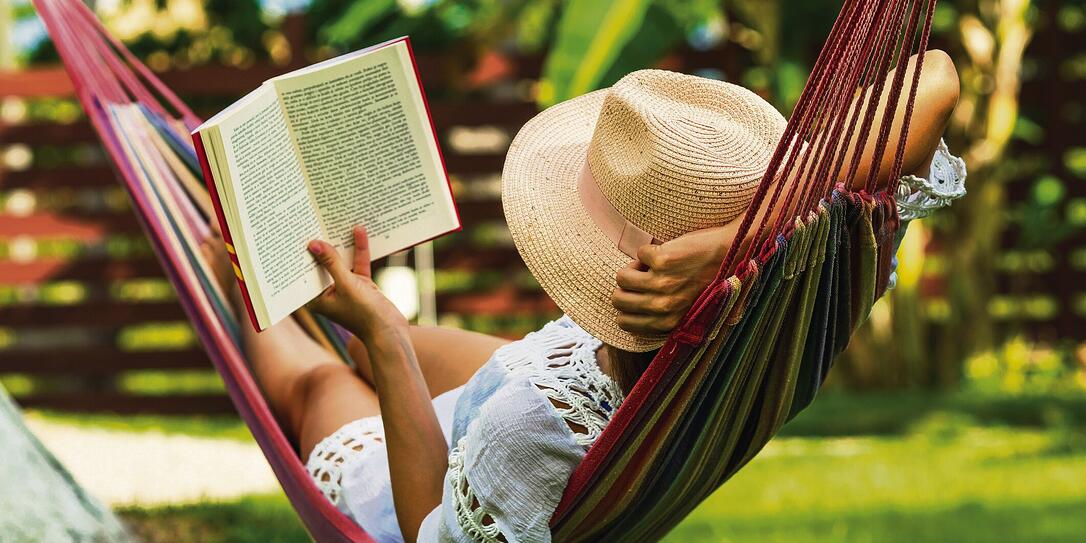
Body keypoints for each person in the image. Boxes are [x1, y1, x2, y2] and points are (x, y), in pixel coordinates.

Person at [202, 50, 965, 543]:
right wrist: (741, 242)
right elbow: (938, 76)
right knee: (378, 326)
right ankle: (344, 310)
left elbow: (432, 529)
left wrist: (386, 343)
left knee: (323, 378)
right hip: (572, 373)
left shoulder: (531, 425)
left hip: (447, 474)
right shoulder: (804, 289)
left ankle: (235, 268)